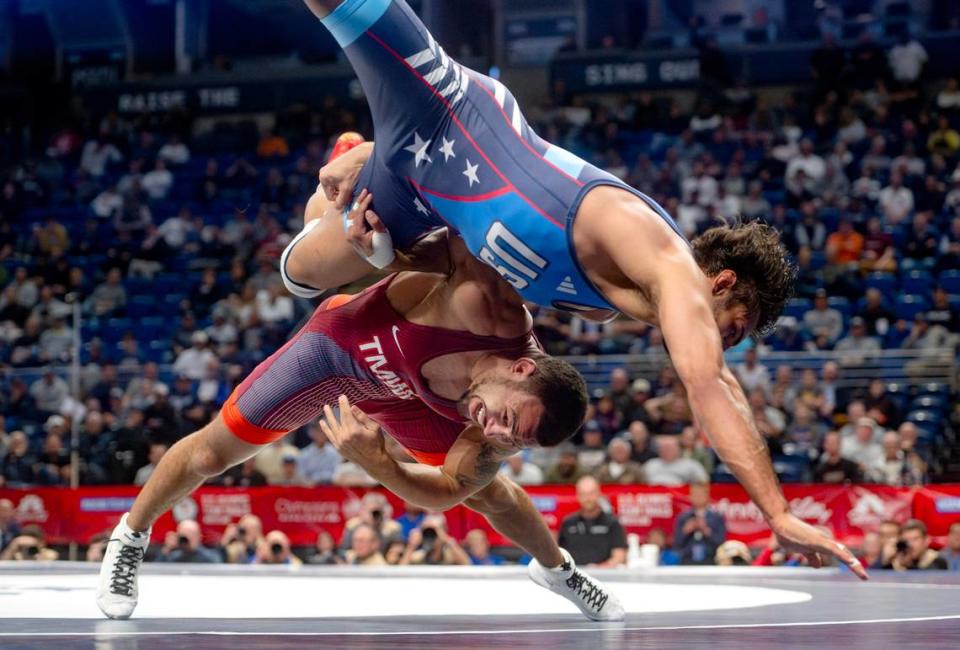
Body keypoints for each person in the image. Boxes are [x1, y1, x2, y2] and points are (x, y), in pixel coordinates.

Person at [285, 0, 859, 584]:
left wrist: (384, 248)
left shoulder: (599, 304)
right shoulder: (666, 261)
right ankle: (361, 150)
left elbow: (455, 258)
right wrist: (778, 513)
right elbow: (708, 383)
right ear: (722, 282)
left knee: (300, 271)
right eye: (729, 327)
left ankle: (357, 151)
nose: (720, 344)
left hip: (424, 190)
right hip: (454, 113)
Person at [97, 227, 621, 622]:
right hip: (339, 351)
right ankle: (130, 537)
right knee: (215, 453)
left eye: (513, 438)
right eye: (506, 420)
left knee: (488, 492)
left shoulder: (517, 419)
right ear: (520, 368)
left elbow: (448, 491)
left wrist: (381, 465)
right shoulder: (488, 305)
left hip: (408, 400)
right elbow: (462, 217)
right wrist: (378, 242)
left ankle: (558, 570)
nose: (499, 431)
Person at [557, 476, 627, 567]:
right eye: (583, 494)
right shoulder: (568, 523)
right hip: (573, 576)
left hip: (605, 577)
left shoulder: (612, 523)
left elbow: (619, 557)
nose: (587, 498)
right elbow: (560, 556)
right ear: (577, 496)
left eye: (591, 493)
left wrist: (597, 570)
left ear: (599, 494)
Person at [673, 482, 726, 565]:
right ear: (690, 496)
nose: (698, 498)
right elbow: (676, 544)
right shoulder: (683, 518)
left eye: (701, 495)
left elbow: (721, 543)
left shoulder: (717, 518)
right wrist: (685, 531)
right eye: (695, 495)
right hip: (687, 561)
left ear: (707, 497)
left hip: (710, 561)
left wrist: (706, 530)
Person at [883, 520, 948, 571]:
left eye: (915, 539)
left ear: (926, 540)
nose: (910, 544)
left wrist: (908, 565)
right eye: (906, 540)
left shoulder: (937, 560)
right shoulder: (897, 561)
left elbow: (929, 579)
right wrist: (885, 561)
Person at [643, 435, 709, 486]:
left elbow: (703, 482)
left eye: (669, 448)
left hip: (680, 498)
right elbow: (638, 483)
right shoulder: (650, 464)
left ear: (678, 449)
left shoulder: (691, 465)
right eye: (664, 448)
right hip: (654, 499)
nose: (666, 451)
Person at [156, 520, 221, 563]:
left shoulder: (209, 555)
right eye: (184, 535)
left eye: (192, 534)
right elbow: (157, 569)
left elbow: (217, 562)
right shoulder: (174, 556)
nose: (188, 539)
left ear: (199, 536)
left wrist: (195, 548)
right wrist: (167, 548)